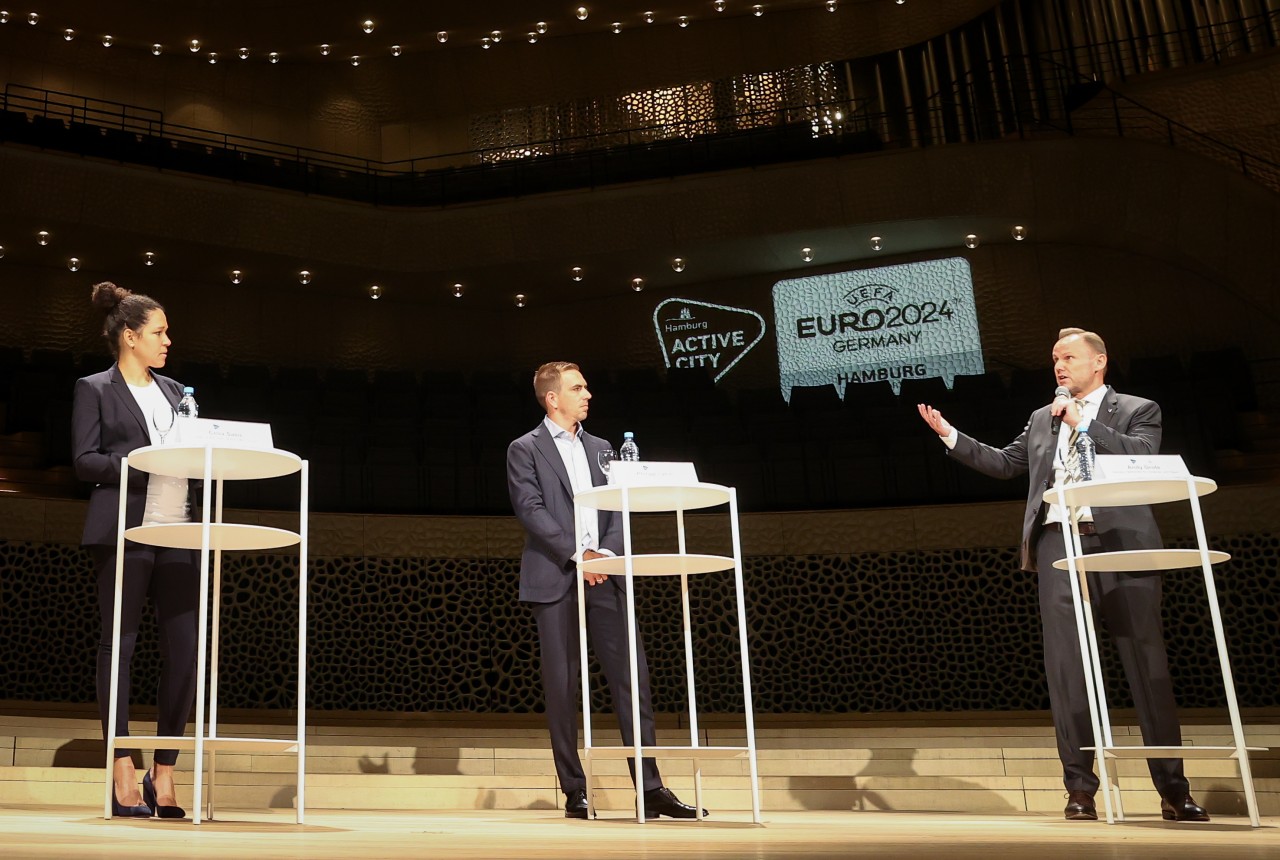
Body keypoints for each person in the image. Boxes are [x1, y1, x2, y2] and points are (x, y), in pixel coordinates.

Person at [916, 328, 1209, 823]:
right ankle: (1079, 790)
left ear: (1099, 363)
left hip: (1121, 543)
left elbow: (1141, 457)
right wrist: (950, 435)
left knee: (1146, 663)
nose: (1059, 365)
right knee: (1066, 671)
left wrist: (1086, 424)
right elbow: (1009, 464)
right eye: (1055, 358)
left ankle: (1173, 791)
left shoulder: (1139, 409)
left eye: (1069, 357)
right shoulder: (1040, 418)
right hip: (1058, 542)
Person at [506, 361, 703, 820]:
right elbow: (530, 509)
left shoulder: (603, 448)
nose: (588, 394)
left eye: (587, 386)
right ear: (552, 398)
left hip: (606, 576)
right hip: (557, 575)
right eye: (578, 388)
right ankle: (574, 788)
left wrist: (605, 557)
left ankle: (650, 788)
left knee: (633, 680)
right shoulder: (524, 448)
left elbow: (619, 508)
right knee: (562, 687)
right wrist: (580, 555)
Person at [71, 281, 198, 819]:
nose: (168, 340)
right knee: (118, 646)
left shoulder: (176, 391)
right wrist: (139, 462)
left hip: (178, 532)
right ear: (130, 336)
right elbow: (85, 459)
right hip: (124, 529)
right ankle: (122, 766)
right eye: (159, 332)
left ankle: (163, 771)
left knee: (186, 651)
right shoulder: (95, 387)